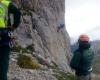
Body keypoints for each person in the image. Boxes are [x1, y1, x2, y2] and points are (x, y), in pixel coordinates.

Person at [0, 0, 21, 80]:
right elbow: (17, 12)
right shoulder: (5, 3)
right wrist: (14, 26)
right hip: (4, 37)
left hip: (4, 37)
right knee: (3, 65)